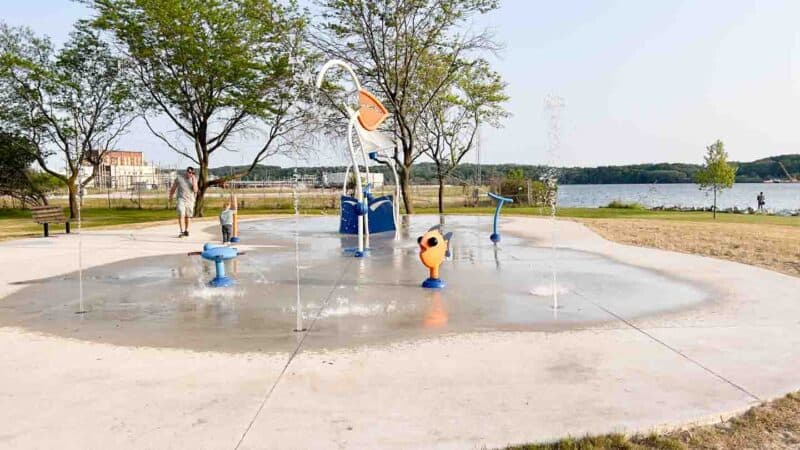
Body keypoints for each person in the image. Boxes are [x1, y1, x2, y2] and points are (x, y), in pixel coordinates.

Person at [168, 166, 198, 237]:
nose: (190, 174)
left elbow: (195, 190)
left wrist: (193, 180)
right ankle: (181, 231)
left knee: (188, 216)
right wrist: (170, 197)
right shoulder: (179, 178)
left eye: (192, 173)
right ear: (186, 171)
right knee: (181, 213)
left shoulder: (194, 179)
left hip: (190, 200)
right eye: (189, 172)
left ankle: (186, 230)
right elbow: (173, 188)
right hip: (181, 199)